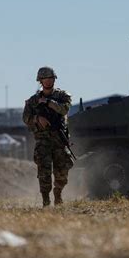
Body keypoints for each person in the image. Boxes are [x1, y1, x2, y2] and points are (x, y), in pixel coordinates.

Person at [23, 66, 73, 207]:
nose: (48, 81)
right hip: (43, 141)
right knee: (44, 172)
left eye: (51, 78)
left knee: (62, 171)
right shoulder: (33, 101)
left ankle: (58, 193)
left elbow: (64, 109)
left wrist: (49, 103)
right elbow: (25, 118)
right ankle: (46, 199)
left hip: (59, 139)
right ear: (40, 80)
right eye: (45, 79)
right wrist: (37, 118)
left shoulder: (63, 96)